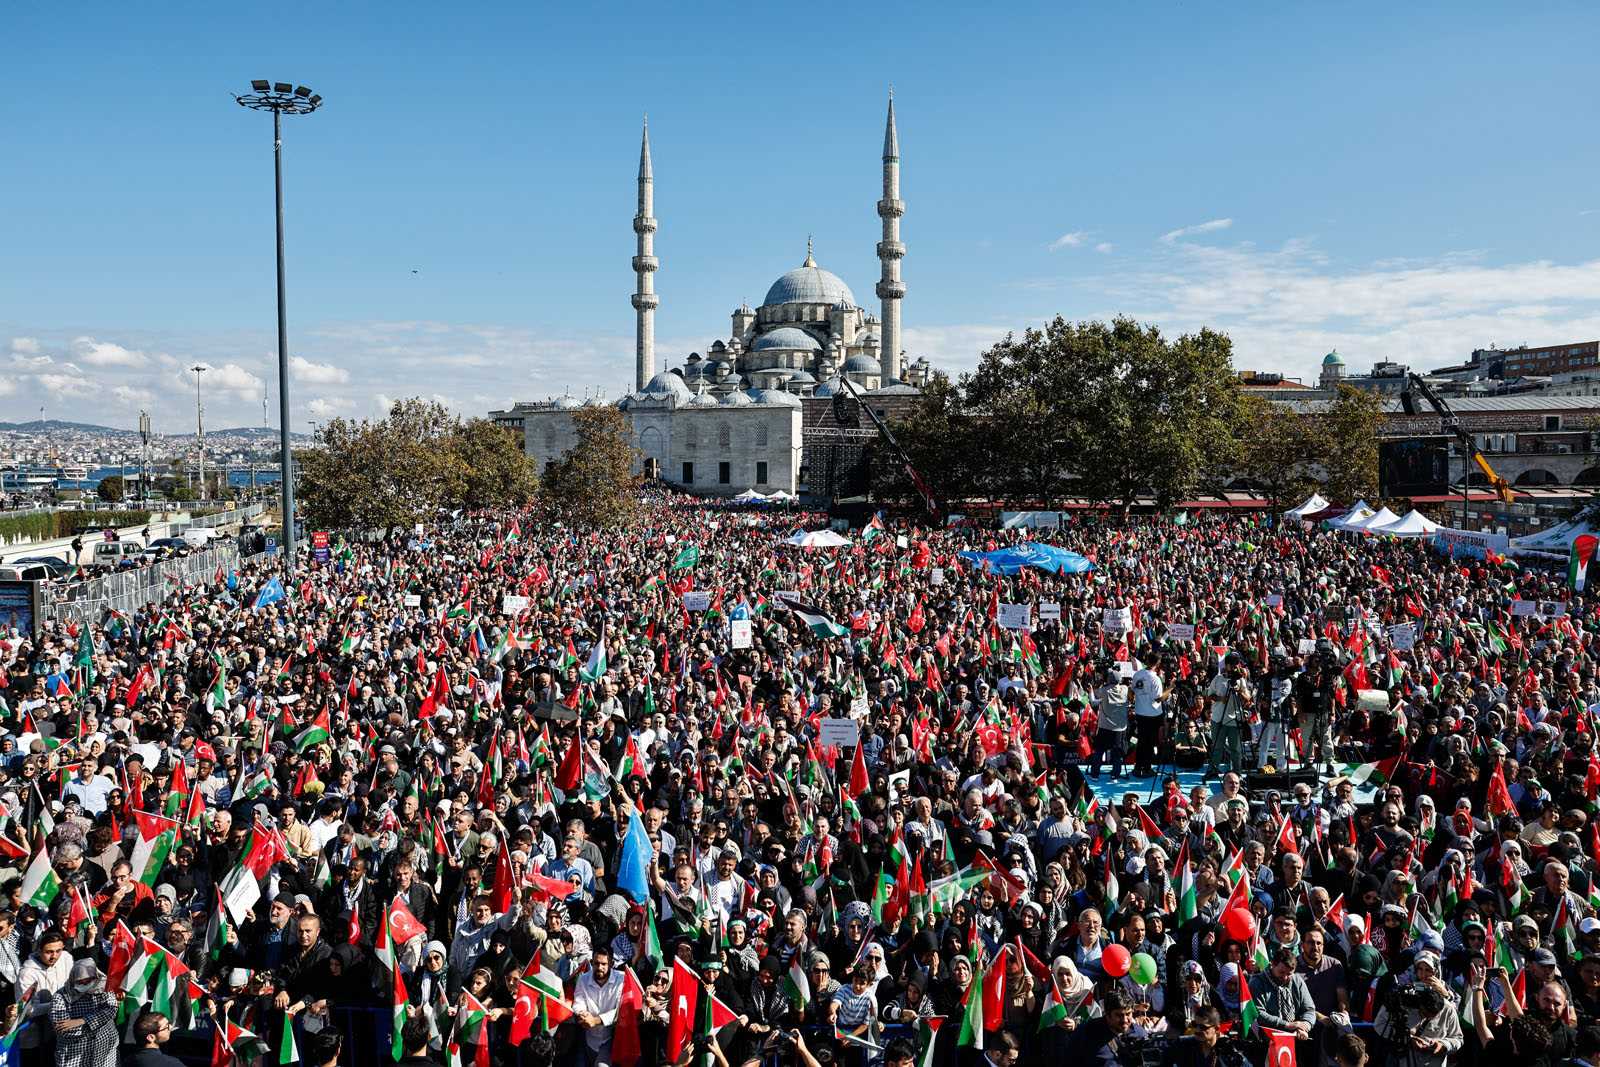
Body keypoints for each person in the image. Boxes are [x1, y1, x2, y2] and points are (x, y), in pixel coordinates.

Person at [48, 959, 118, 1067]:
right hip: (74, 1052)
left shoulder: (104, 987)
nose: (85, 984)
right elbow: (64, 1029)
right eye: (80, 981)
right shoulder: (61, 996)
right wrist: (100, 1024)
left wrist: (82, 1021)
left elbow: (111, 1010)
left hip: (103, 1047)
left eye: (89, 980)